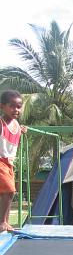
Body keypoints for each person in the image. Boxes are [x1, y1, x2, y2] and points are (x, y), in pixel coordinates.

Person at [0, 90, 27, 232]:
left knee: (7, 192)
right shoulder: (1, 123)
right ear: (2, 106)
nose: (16, 110)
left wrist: (21, 131)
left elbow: (14, 142)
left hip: (9, 163)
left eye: (18, 106)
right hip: (0, 161)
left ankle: (4, 222)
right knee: (10, 190)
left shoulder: (16, 124)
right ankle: (2, 222)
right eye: (12, 106)